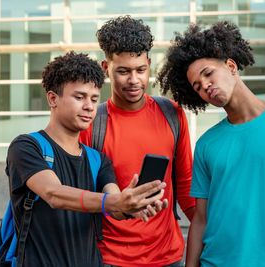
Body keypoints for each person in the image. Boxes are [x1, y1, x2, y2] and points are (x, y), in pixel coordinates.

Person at [156, 21, 265, 267]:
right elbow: (201, 219)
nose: (205, 86)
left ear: (231, 66)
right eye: (197, 86)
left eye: (207, 73)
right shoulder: (206, 144)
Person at [6, 51, 167, 266]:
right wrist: (115, 202)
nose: (89, 107)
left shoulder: (97, 159)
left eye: (94, 99)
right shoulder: (27, 146)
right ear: (53, 99)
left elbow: (115, 203)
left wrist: (132, 205)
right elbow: (53, 194)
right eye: (79, 97)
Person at [79, 16, 196, 267]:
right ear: (105, 68)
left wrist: (214, 235)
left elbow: (186, 187)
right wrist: (118, 206)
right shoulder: (91, 123)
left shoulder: (172, 114)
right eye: (123, 71)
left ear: (150, 65)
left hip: (168, 256)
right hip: (110, 257)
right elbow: (81, 196)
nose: (134, 80)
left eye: (140, 70)